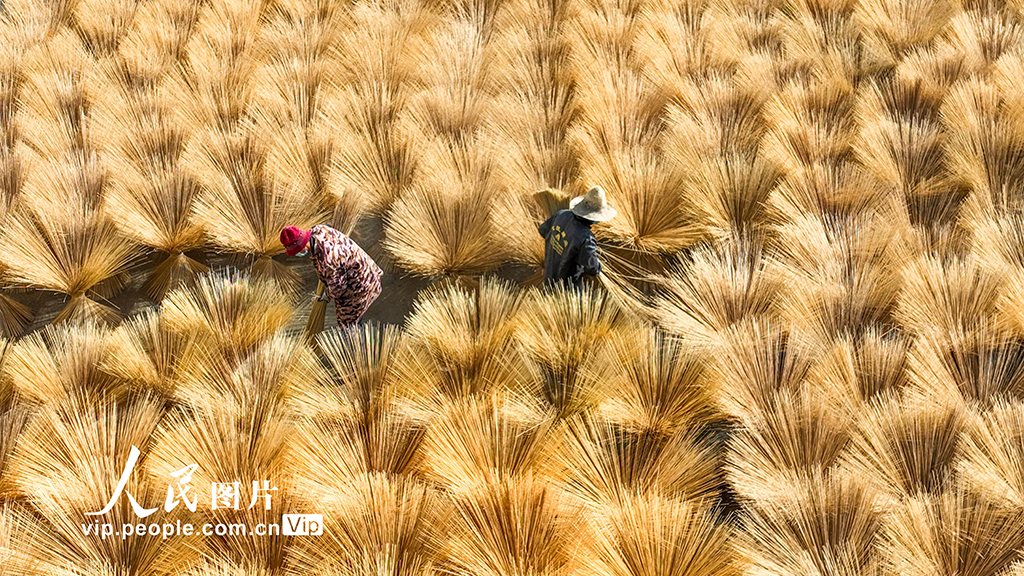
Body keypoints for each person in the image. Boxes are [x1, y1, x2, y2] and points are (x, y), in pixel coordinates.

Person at [280, 224, 383, 328]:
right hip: (364, 269)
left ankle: (359, 341)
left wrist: (327, 295)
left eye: (296, 251)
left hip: (361, 284)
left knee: (347, 324)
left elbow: (339, 288)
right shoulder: (317, 229)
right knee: (350, 318)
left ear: (303, 246)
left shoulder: (328, 259)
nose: (297, 254)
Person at [538, 185, 616, 289]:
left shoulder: (561, 214)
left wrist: (559, 246)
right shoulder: (586, 238)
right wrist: (599, 264)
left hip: (549, 278)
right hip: (568, 291)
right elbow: (593, 269)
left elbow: (543, 231)